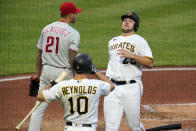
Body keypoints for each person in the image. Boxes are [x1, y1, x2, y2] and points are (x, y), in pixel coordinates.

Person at [28, 2, 83, 131]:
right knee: (71, 109)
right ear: (70, 15)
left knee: (38, 107)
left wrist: (37, 73)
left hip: (46, 72)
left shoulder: (46, 28)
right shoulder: (73, 33)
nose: (76, 16)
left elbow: (39, 54)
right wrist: (76, 77)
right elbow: (72, 58)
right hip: (63, 75)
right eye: (75, 13)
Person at [37, 53, 115, 131]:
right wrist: (95, 71)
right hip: (88, 129)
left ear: (73, 68)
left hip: (70, 128)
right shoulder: (96, 84)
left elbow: (40, 96)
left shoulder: (62, 86)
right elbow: (111, 86)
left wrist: (52, 83)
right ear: (89, 68)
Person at [104, 11, 153, 131]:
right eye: (125, 20)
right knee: (110, 126)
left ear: (135, 26)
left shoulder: (140, 41)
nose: (126, 22)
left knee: (134, 126)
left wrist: (133, 56)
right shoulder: (112, 41)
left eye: (130, 21)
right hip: (112, 88)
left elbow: (150, 63)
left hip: (131, 87)